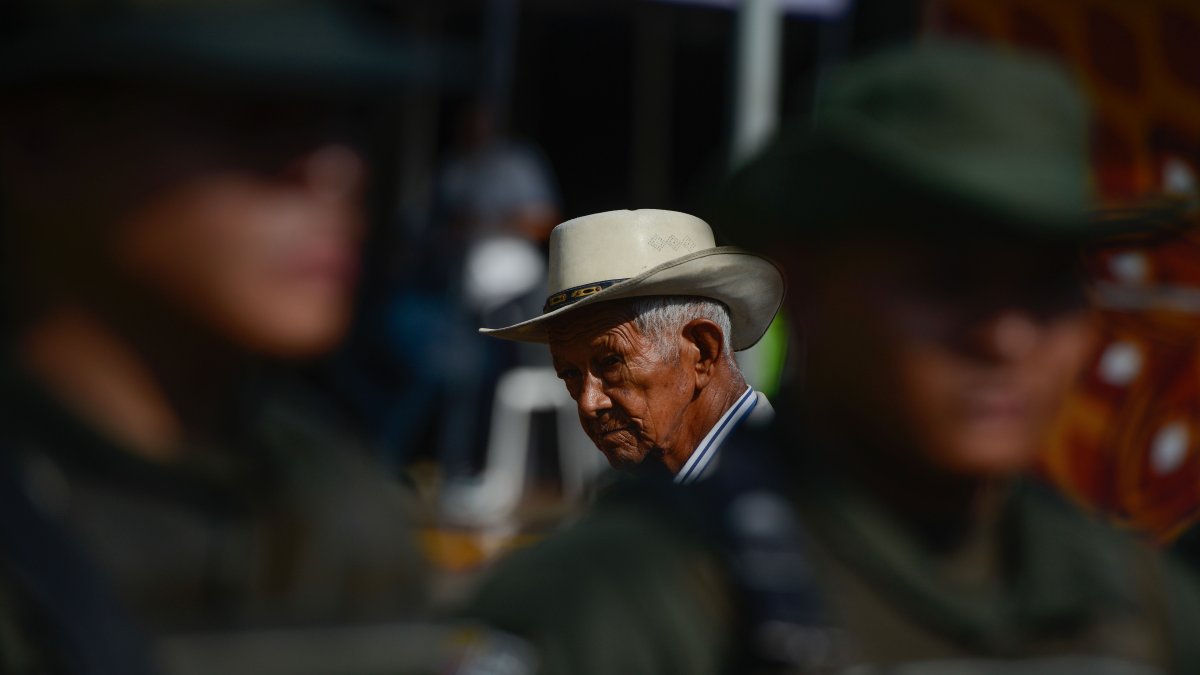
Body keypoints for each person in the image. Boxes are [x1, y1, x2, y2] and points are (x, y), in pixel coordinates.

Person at [462, 40, 1200, 674]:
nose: (1006, 337)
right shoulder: (620, 603)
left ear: (704, 350)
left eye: (1048, 287)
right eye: (949, 281)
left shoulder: (1137, 601)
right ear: (812, 290)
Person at [0, 2, 516, 673]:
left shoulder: (336, 494)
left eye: (344, 121)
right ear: (40, 143)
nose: (335, 170)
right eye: (250, 116)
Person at [480, 208, 784, 482]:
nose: (588, 403)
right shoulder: (662, 499)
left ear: (703, 351)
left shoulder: (779, 492)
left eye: (611, 362)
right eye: (570, 374)